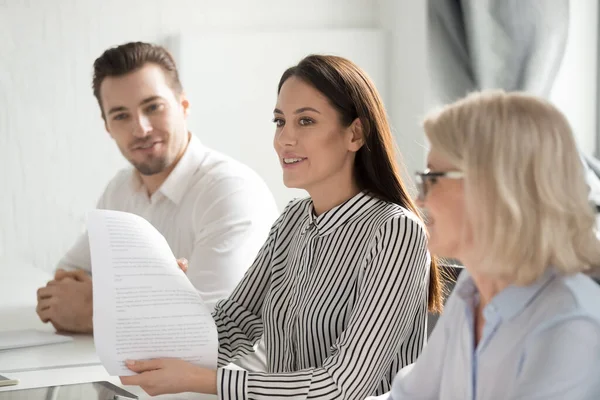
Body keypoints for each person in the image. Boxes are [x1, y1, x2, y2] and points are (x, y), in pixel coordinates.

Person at [119, 54, 444, 399]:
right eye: (279, 121)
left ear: (355, 133)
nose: (284, 140)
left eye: (305, 121)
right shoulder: (292, 219)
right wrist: (170, 300)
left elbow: (341, 387)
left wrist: (204, 382)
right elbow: (234, 324)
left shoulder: (396, 231)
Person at [35, 42, 279, 341]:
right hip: (128, 381)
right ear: (108, 127)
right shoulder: (120, 190)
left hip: (218, 387)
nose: (140, 129)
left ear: (183, 106)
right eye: (121, 115)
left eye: (153, 107)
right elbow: (67, 279)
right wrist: (153, 303)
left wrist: (95, 310)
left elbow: (212, 326)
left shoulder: (231, 192)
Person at [371, 90, 600, 399]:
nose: (420, 199)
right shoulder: (472, 289)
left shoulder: (570, 324)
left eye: (433, 178)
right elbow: (409, 395)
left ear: (493, 188)